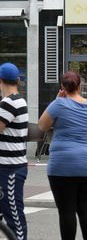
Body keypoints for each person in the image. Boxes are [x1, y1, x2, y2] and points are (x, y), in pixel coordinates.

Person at [39, 71, 87, 240]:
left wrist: (57, 99)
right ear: (80, 86)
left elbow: (42, 126)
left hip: (62, 166)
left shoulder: (58, 104)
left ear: (62, 87)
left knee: (66, 211)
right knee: (86, 208)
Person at [0, 62, 28, 240]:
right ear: (17, 80)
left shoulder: (9, 103)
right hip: (10, 166)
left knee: (14, 216)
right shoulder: (18, 100)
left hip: (10, 168)